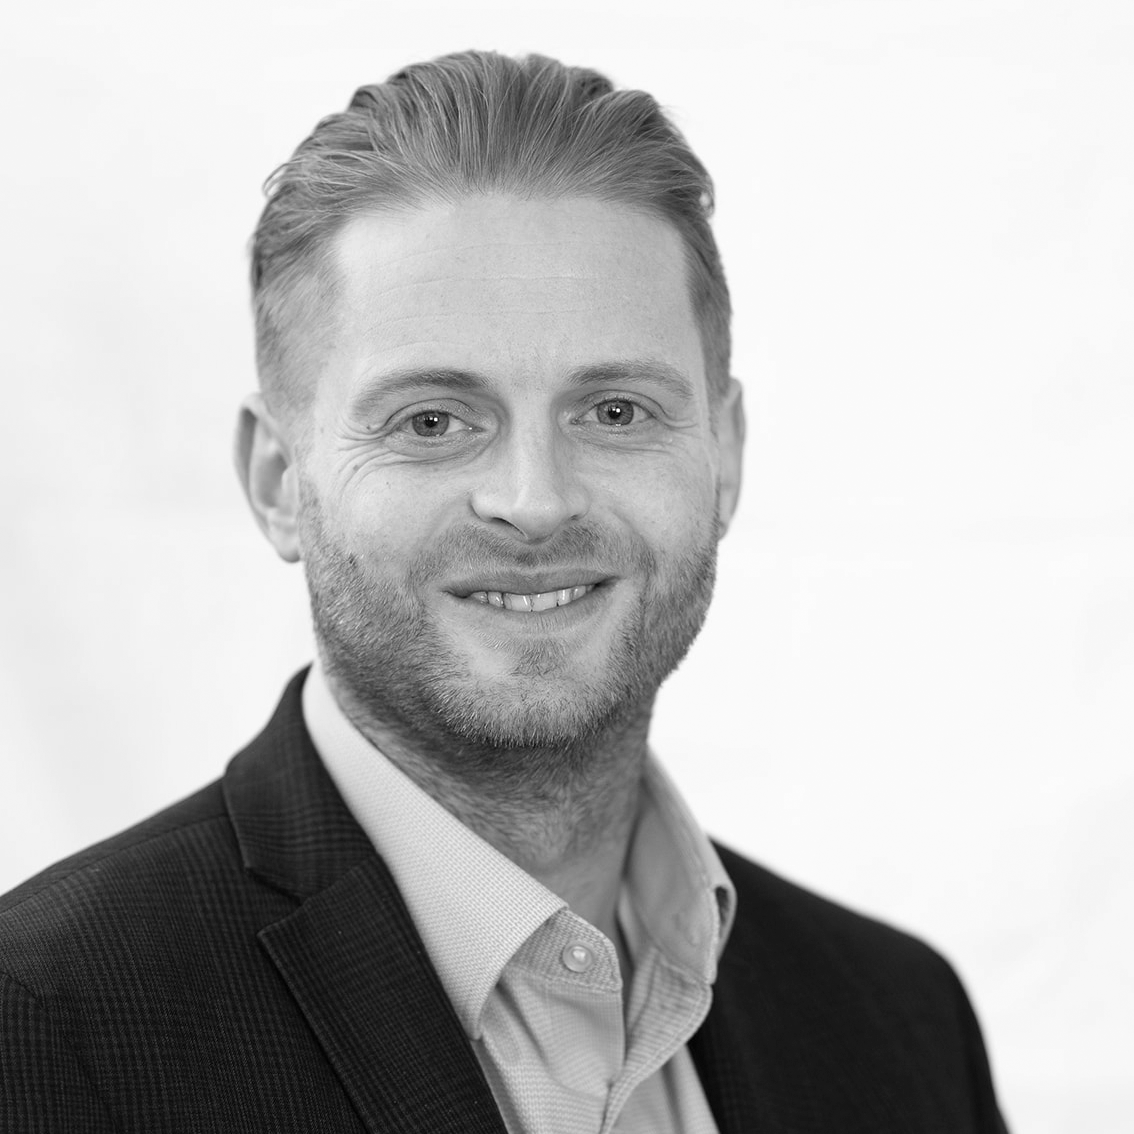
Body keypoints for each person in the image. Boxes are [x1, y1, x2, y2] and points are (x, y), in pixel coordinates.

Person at [0, 50, 1008, 1133]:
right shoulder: (45, 1026)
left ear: (725, 455)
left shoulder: (898, 1020)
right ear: (279, 481)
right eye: (431, 420)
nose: (535, 501)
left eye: (615, 411)